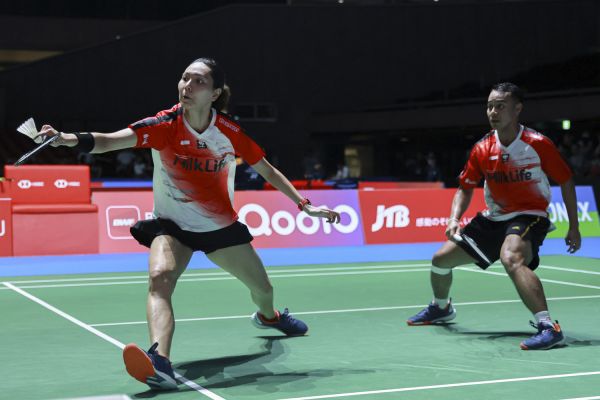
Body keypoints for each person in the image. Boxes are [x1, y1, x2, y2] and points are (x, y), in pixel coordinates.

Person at [35, 57, 341, 390]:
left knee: (263, 290)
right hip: (172, 227)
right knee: (160, 278)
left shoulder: (228, 132)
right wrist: (67, 138)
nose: (188, 86)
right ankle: (160, 362)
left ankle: (270, 317)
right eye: (184, 78)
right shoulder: (163, 125)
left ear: (215, 93)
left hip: (219, 228)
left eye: (198, 81)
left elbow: (266, 169)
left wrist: (305, 206)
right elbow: (110, 140)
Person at [406, 82, 581, 350]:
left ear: (517, 109)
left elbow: (566, 180)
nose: (493, 112)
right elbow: (465, 188)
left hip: (529, 214)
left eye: (500, 106)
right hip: (494, 217)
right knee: (440, 261)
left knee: (511, 257)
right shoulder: (482, 148)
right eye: (489, 106)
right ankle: (441, 308)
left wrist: (574, 227)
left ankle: (548, 327)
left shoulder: (537, 144)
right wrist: (454, 219)